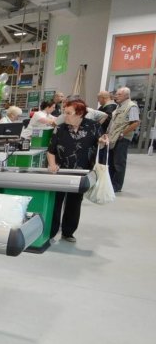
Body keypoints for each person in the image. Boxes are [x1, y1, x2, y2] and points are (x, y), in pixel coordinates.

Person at [46, 99, 109, 243]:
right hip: (60, 172)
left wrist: (102, 141)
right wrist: (52, 165)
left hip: (81, 172)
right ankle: (51, 232)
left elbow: (101, 142)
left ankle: (68, 232)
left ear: (80, 114)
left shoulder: (93, 126)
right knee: (56, 202)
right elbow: (51, 151)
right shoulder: (60, 128)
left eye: (68, 113)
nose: (65, 115)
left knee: (74, 202)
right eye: (64, 112)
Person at [107, 87, 140, 193]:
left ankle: (117, 186)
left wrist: (123, 133)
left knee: (119, 163)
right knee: (111, 162)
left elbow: (135, 122)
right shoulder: (119, 106)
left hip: (122, 138)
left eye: (119, 94)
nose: (116, 96)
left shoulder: (132, 106)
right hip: (113, 138)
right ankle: (111, 183)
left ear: (126, 95)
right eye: (116, 94)